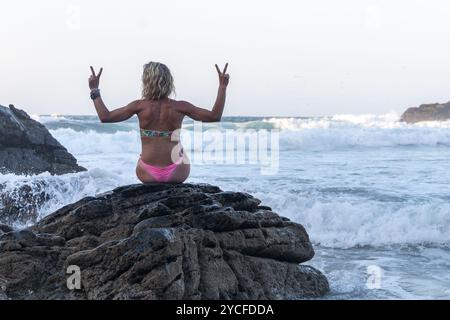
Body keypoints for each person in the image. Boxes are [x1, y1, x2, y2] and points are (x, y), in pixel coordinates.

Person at [88, 61, 229, 183]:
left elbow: (105, 117)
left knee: (143, 156)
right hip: (177, 172)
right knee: (180, 148)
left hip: (146, 173)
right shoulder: (180, 106)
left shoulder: (138, 106)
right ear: (169, 82)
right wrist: (222, 86)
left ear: (146, 82)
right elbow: (214, 116)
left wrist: (94, 90)